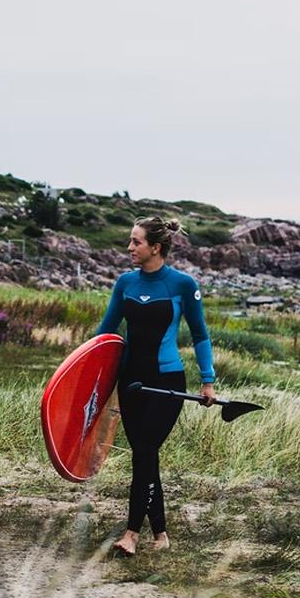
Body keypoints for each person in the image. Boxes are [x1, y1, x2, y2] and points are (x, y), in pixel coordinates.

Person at [95, 216, 216, 555]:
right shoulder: (125, 283)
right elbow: (105, 332)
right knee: (144, 455)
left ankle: (131, 533)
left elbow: (200, 334)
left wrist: (207, 381)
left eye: (136, 242)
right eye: (131, 241)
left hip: (166, 383)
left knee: (145, 451)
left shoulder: (181, 284)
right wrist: (86, 373)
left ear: (155, 248)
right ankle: (160, 534)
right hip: (131, 381)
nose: (129, 248)